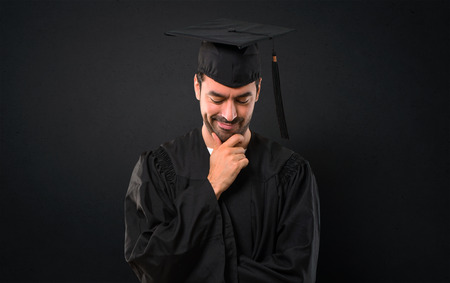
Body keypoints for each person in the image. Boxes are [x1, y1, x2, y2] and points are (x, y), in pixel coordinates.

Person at [124, 19, 320, 283]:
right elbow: (150, 266)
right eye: (217, 98)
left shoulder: (289, 173)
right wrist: (211, 186)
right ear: (197, 87)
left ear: (259, 90)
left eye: (243, 99)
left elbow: (297, 276)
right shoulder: (159, 168)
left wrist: (190, 272)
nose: (229, 114)